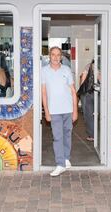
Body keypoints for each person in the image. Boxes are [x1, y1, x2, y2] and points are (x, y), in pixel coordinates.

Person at [42, 46, 78, 177]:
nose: (56, 57)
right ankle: (60, 164)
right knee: (57, 137)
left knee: (67, 135)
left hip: (68, 109)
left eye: (58, 55)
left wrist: (75, 111)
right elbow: (44, 93)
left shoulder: (67, 70)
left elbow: (73, 91)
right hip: (54, 110)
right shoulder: (44, 71)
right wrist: (46, 111)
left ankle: (66, 158)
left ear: (61, 57)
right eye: (53, 55)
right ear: (49, 56)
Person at [78, 60, 95, 142]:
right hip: (99, 93)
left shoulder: (89, 65)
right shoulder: (105, 65)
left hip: (87, 93)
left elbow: (83, 78)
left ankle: (92, 135)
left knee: (88, 115)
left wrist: (81, 92)